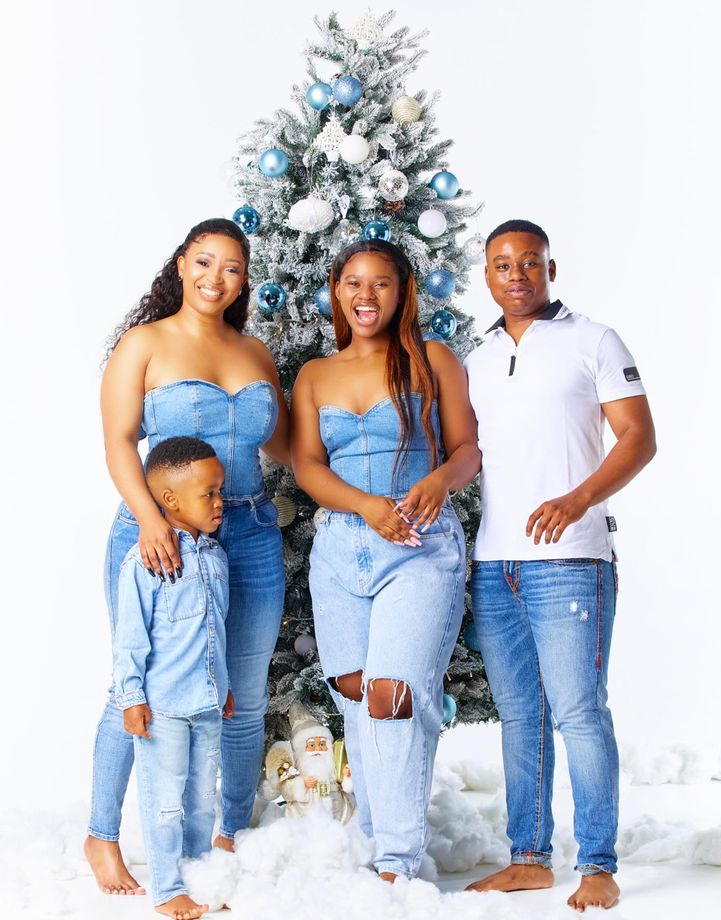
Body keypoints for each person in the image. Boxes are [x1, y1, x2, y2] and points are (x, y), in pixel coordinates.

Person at [84, 218, 289, 895]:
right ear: (181, 263)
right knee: (136, 685)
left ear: (244, 280)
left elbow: (287, 446)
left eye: (231, 268)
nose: (215, 279)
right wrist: (150, 521)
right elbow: (118, 441)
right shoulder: (144, 344)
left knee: (245, 694)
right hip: (158, 535)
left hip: (250, 534)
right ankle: (102, 836)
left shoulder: (257, 354)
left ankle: (228, 833)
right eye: (204, 262)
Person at [463, 219, 656, 911]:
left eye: (528, 263)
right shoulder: (475, 357)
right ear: (486, 275)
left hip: (571, 561)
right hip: (495, 562)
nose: (515, 275)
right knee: (521, 715)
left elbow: (638, 436)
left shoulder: (593, 340)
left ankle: (598, 863)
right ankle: (529, 858)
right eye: (500, 265)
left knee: (578, 711)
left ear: (550, 268)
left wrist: (579, 500)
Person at [290, 239, 480, 881]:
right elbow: (307, 466)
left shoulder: (432, 359)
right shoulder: (316, 375)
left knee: (395, 694)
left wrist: (439, 481)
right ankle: (377, 840)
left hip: (419, 547)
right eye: (352, 283)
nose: (365, 296)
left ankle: (398, 859)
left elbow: (467, 450)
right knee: (355, 693)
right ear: (336, 292)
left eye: (380, 284)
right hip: (342, 548)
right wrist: (366, 506)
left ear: (402, 293)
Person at [114, 436, 231, 920]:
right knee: (166, 803)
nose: (221, 501)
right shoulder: (146, 563)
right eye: (209, 493)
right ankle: (166, 888)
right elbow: (130, 638)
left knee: (204, 798)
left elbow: (215, 630)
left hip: (207, 703)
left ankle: (197, 874)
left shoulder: (216, 557)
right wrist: (131, 697)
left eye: (220, 490)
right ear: (170, 500)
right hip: (163, 707)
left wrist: (222, 686)